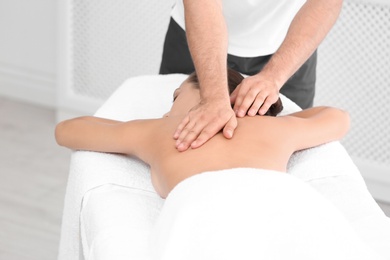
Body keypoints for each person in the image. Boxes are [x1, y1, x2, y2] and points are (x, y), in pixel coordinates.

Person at [55, 68, 349, 199]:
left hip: (200, 219)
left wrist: (132, 126)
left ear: (208, 92)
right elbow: (338, 117)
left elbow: (67, 130)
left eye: (175, 97)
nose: (167, 110)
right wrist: (256, 115)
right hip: (276, 210)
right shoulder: (278, 129)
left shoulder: (160, 130)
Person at [160, 0, 344, 152]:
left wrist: (274, 76)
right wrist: (213, 97)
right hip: (199, 35)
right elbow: (339, 119)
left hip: (290, 44)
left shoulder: (280, 134)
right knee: (173, 131)